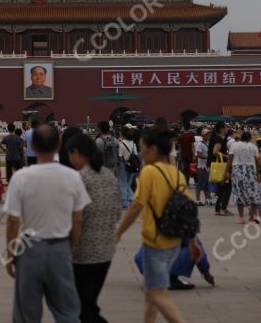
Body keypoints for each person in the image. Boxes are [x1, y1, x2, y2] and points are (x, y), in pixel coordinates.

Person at [4, 123, 89, 323]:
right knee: (67, 312)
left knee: (26, 314)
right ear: (59, 145)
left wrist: (11, 253)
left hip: (30, 249)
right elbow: (78, 220)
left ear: (32, 144)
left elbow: (13, 220)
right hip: (59, 247)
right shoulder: (73, 177)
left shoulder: (21, 178)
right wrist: (69, 247)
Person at [116, 128, 201, 323]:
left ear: (153, 149)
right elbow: (187, 211)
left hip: (155, 242)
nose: (141, 152)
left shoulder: (149, 172)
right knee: (152, 293)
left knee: (156, 294)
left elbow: (136, 206)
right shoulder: (176, 173)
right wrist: (192, 241)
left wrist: (119, 232)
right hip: (173, 242)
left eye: (142, 148)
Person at [67, 132, 121, 323]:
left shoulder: (79, 178)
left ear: (77, 153)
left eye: (70, 155)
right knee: (88, 305)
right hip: (105, 252)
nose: (70, 160)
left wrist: (69, 247)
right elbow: (117, 215)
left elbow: (76, 219)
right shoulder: (110, 176)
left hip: (83, 254)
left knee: (84, 309)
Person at [225, 131, 260, 224]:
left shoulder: (235, 145)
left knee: (239, 193)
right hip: (251, 171)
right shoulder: (254, 147)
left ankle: (241, 217)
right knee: (254, 193)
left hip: (237, 170)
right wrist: (258, 174)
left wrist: (226, 171)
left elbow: (230, 159)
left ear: (241, 138)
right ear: (249, 139)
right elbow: (257, 162)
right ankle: (255, 215)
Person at [208, 122, 232, 216]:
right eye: (226, 127)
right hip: (220, 165)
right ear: (221, 129)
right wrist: (226, 156)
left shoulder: (218, 138)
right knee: (227, 186)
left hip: (217, 165)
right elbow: (215, 152)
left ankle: (218, 209)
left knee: (221, 188)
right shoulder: (219, 139)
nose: (227, 129)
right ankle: (223, 208)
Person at [117, 126, 139, 209]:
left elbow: (120, 156)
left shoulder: (121, 144)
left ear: (122, 133)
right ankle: (131, 198)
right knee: (128, 183)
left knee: (123, 183)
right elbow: (136, 154)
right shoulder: (133, 143)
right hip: (133, 164)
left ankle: (124, 202)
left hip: (123, 164)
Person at [195, 129, 211, 206]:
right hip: (201, 166)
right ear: (202, 135)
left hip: (207, 166)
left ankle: (207, 199)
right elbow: (198, 154)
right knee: (200, 183)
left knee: (207, 183)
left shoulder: (208, 143)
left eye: (208, 134)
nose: (208, 136)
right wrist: (208, 157)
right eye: (206, 134)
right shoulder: (200, 144)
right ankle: (198, 200)